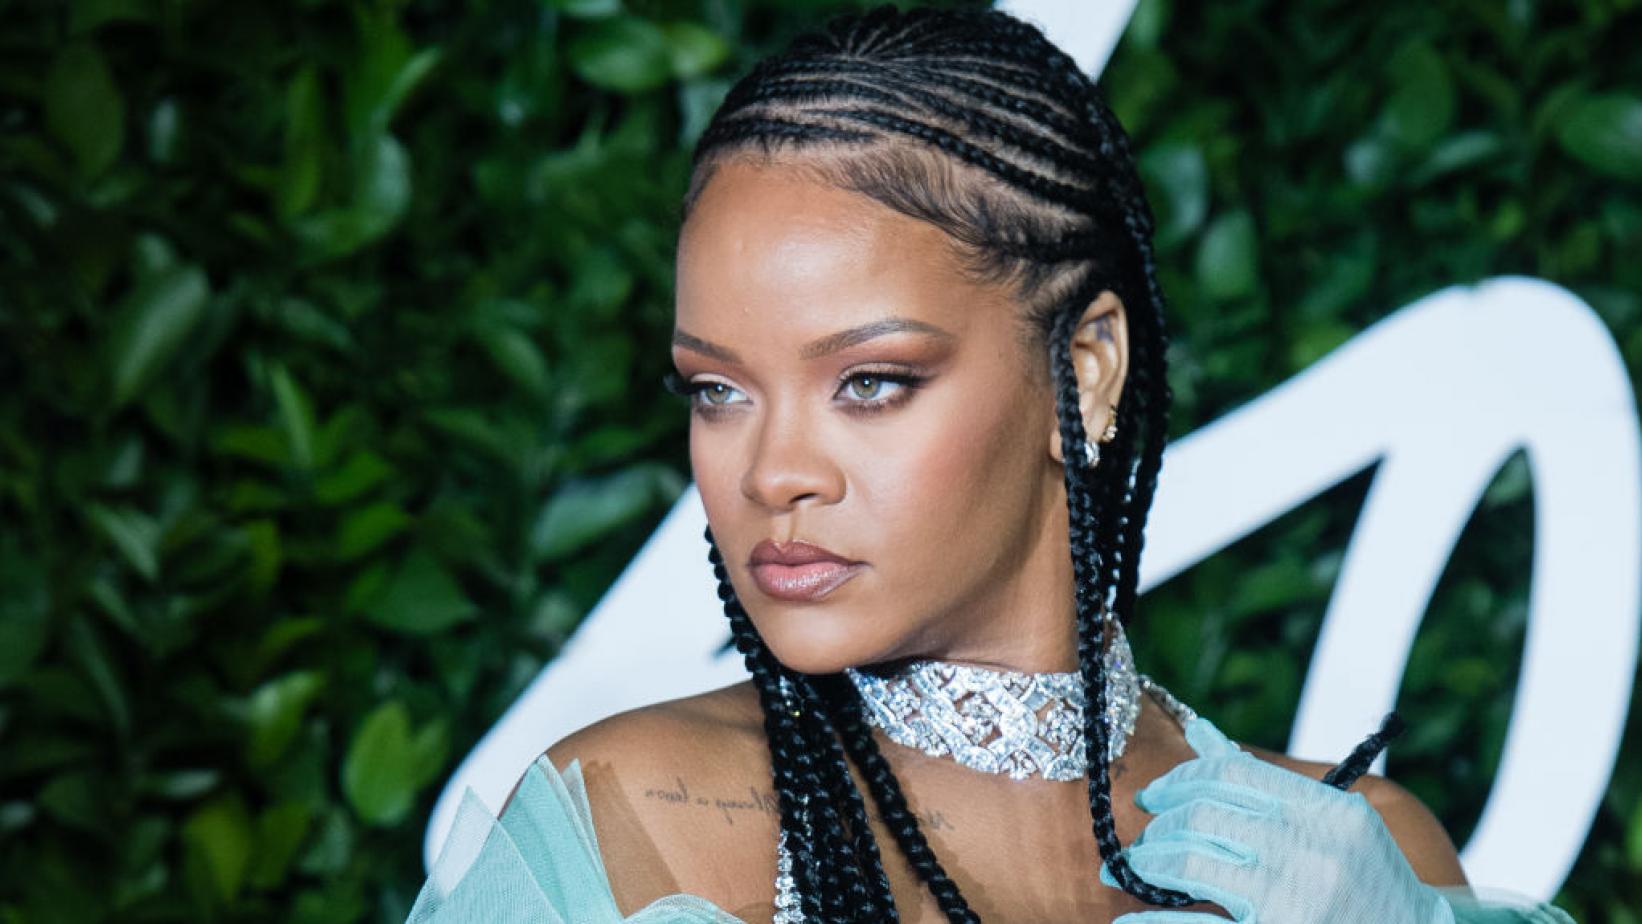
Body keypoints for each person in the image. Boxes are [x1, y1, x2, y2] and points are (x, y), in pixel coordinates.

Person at [404, 7, 1575, 923]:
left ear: (1087, 368)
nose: (771, 474)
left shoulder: (1358, 856)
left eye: (870, 381)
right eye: (718, 391)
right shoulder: (640, 828)